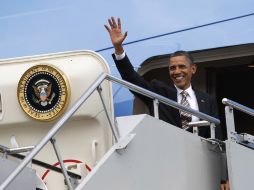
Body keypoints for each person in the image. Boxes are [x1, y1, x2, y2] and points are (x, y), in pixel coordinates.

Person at [105, 17, 222, 139]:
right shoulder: (159, 93)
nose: (177, 71)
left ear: (193, 69)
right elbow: (131, 77)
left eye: (182, 66)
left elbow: (216, 135)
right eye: (172, 68)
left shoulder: (207, 100)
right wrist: (119, 48)